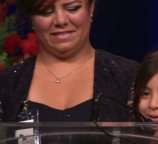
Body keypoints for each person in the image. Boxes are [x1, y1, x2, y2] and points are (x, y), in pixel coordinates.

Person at [0, 0, 138, 122]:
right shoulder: (7, 83)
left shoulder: (130, 77)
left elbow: (150, 143)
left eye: (72, 8)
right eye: (46, 11)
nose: (60, 20)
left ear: (91, 8)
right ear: (31, 18)